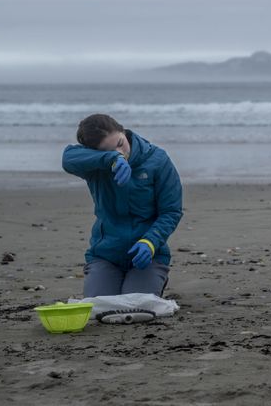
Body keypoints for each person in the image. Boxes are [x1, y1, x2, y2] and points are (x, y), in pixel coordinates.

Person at [62, 114, 183, 297]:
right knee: (101, 307)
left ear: (123, 131)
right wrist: (111, 159)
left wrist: (150, 241)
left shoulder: (157, 160)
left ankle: (156, 277)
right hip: (105, 255)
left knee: (135, 306)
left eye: (120, 143)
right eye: (108, 151)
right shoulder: (96, 167)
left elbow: (171, 211)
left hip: (148, 255)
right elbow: (68, 158)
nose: (122, 153)